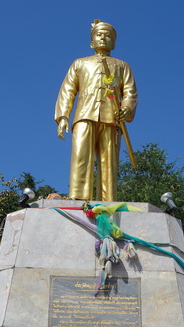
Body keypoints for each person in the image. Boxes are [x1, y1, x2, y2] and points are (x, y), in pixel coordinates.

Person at [55, 20, 138, 202]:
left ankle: (107, 200)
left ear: (114, 43)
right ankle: (78, 197)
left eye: (108, 36)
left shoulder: (122, 66)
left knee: (109, 162)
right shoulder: (80, 64)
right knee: (81, 156)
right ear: (91, 42)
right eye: (99, 35)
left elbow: (130, 92)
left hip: (112, 118)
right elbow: (68, 90)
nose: (103, 38)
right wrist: (63, 116)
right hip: (84, 115)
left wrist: (126, 108)